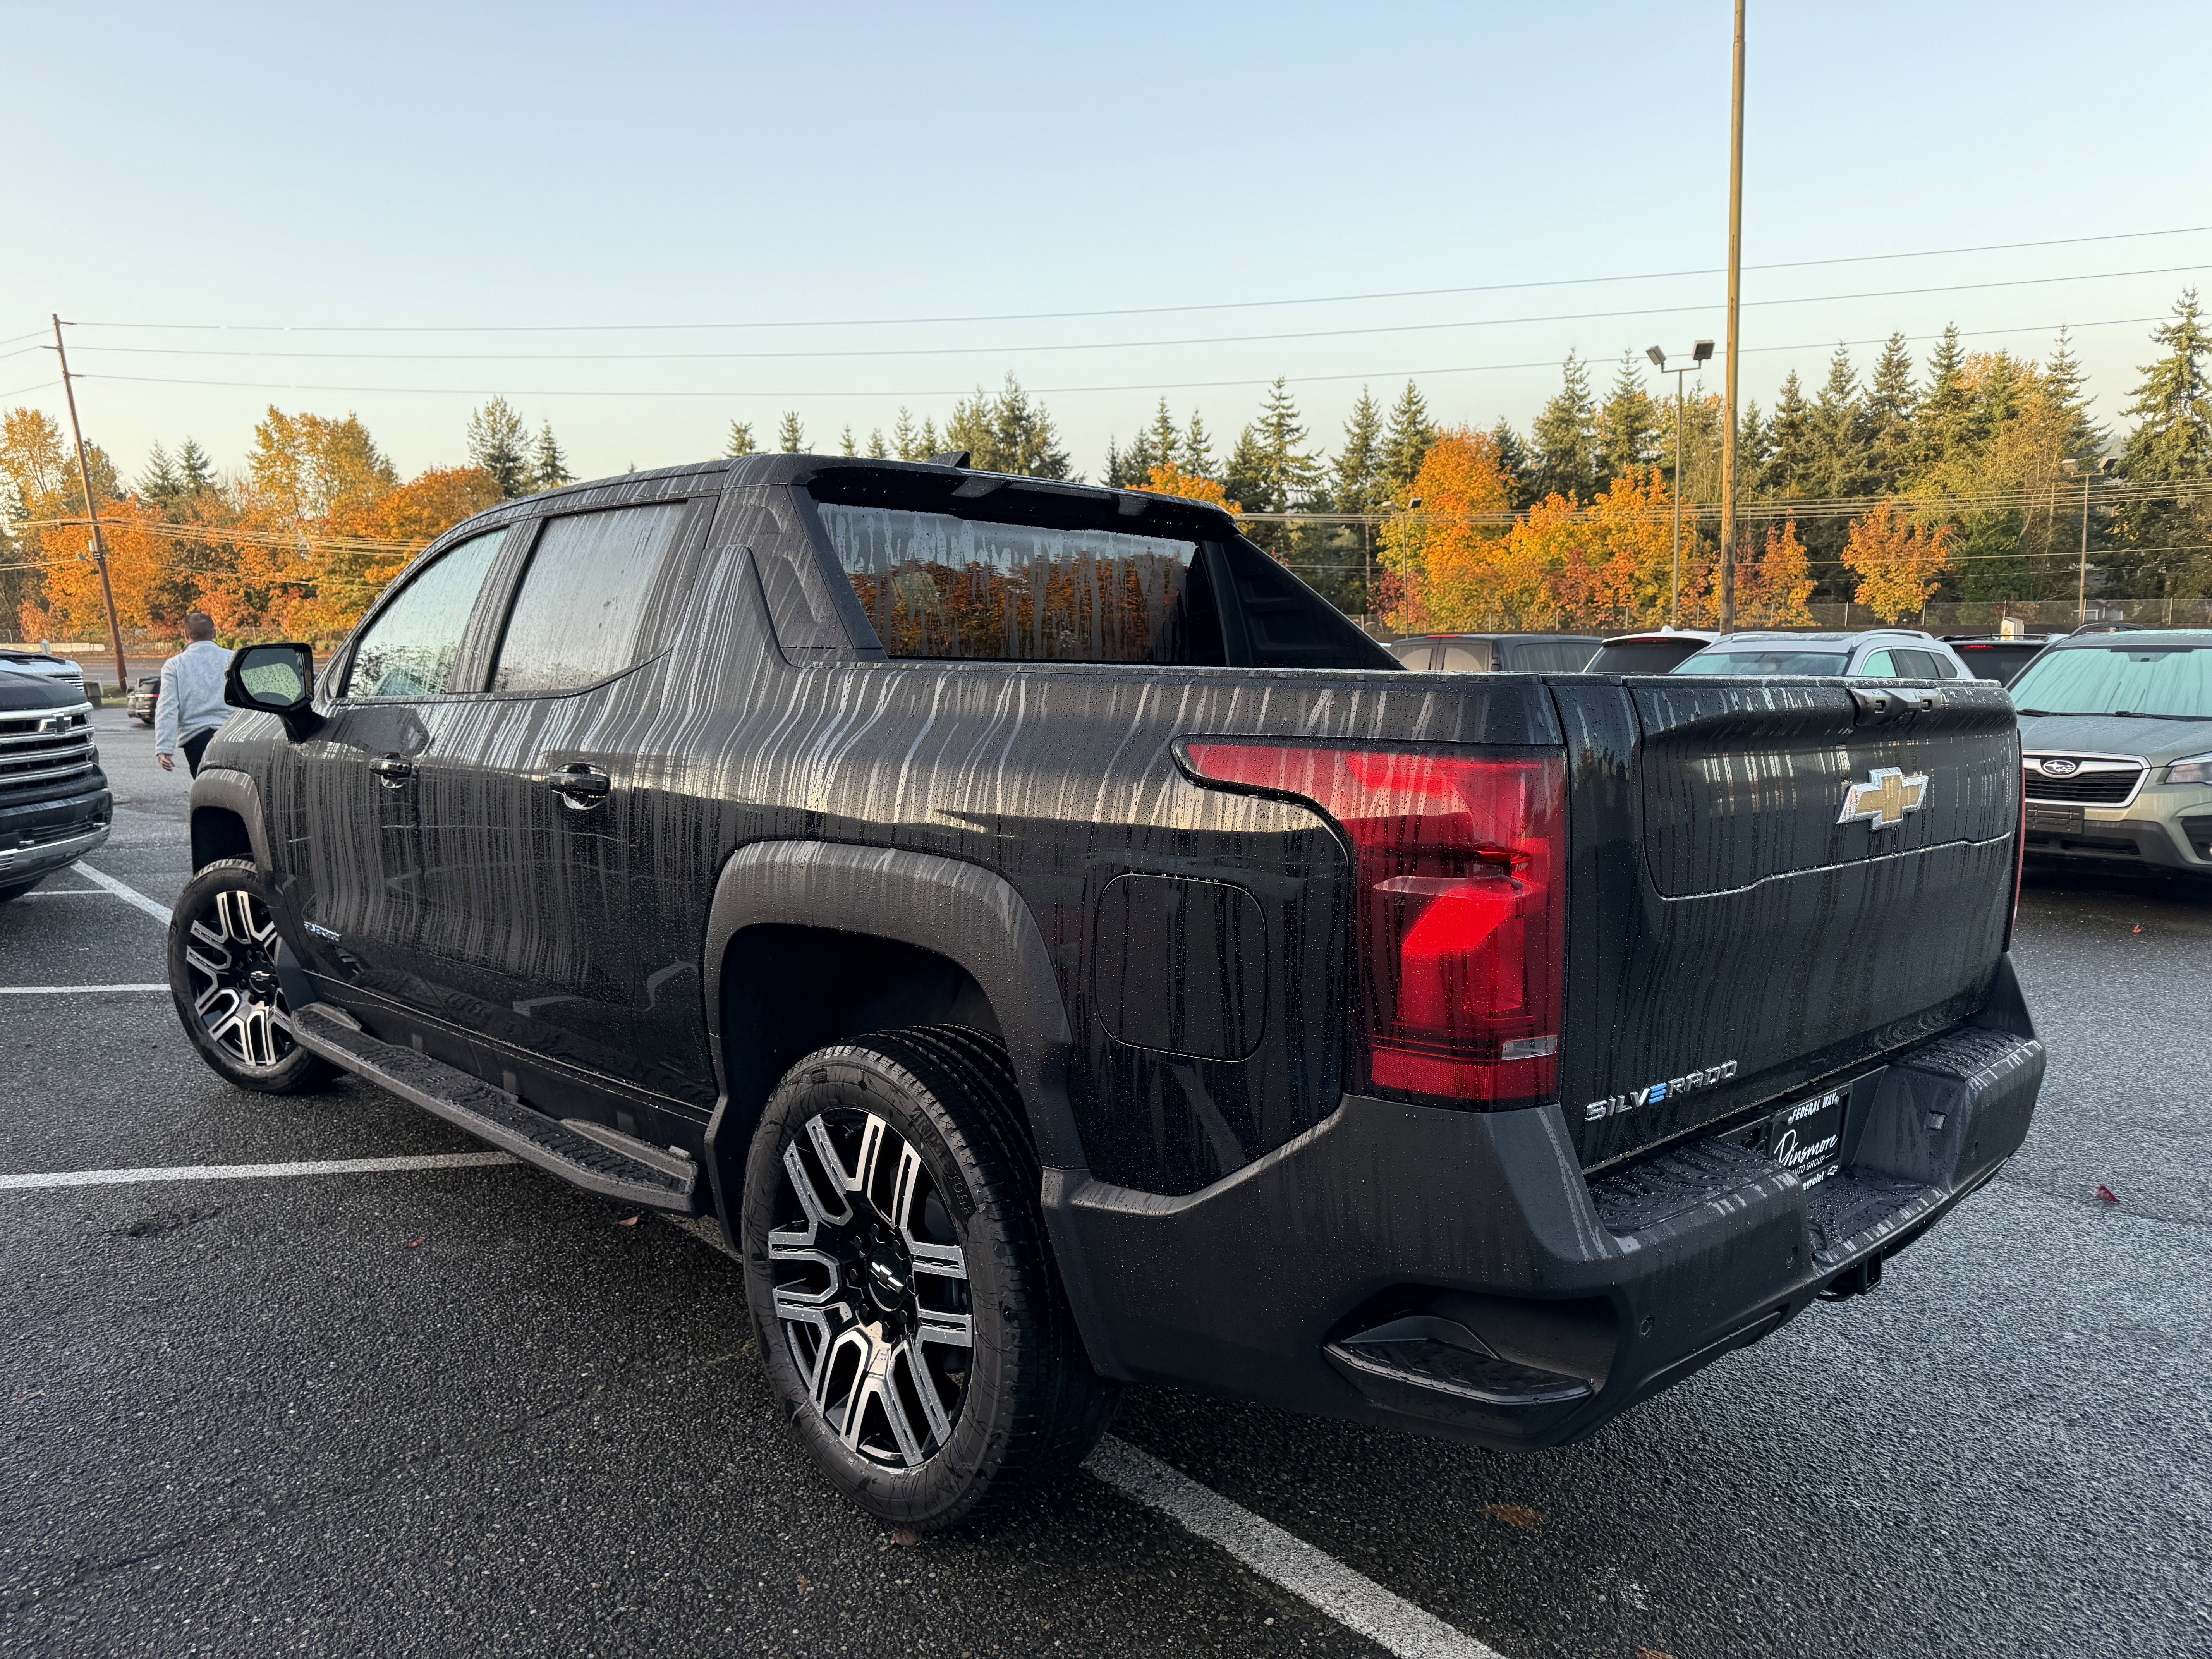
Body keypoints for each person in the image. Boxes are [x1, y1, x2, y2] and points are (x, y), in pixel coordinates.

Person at [154, 613, 234, 776]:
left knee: (206, 790)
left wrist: (164, 748)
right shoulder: (233, 659)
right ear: (215, 633)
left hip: (195, 741)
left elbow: (167, 708)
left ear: (185, 635)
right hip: (231, 735)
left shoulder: (174, 665)